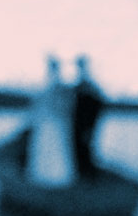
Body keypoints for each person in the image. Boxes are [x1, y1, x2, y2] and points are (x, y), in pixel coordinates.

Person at [27, 56, 77, 186]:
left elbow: (64, 106)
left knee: (54, 150)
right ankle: (45, 177)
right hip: (47, 123)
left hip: (54, 123)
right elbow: (40, 105)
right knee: (46, 150)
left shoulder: (57, 86)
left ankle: (55, 178)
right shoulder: (48, 85)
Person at [73, 55, 106, 178]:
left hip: (87, 124)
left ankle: (89, 173)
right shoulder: (80, 85)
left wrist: (90, 125)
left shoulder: (90, 87)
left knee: (86, 146)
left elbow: (96, 107)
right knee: (81, 146)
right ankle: (83, 171)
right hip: (79, 124)